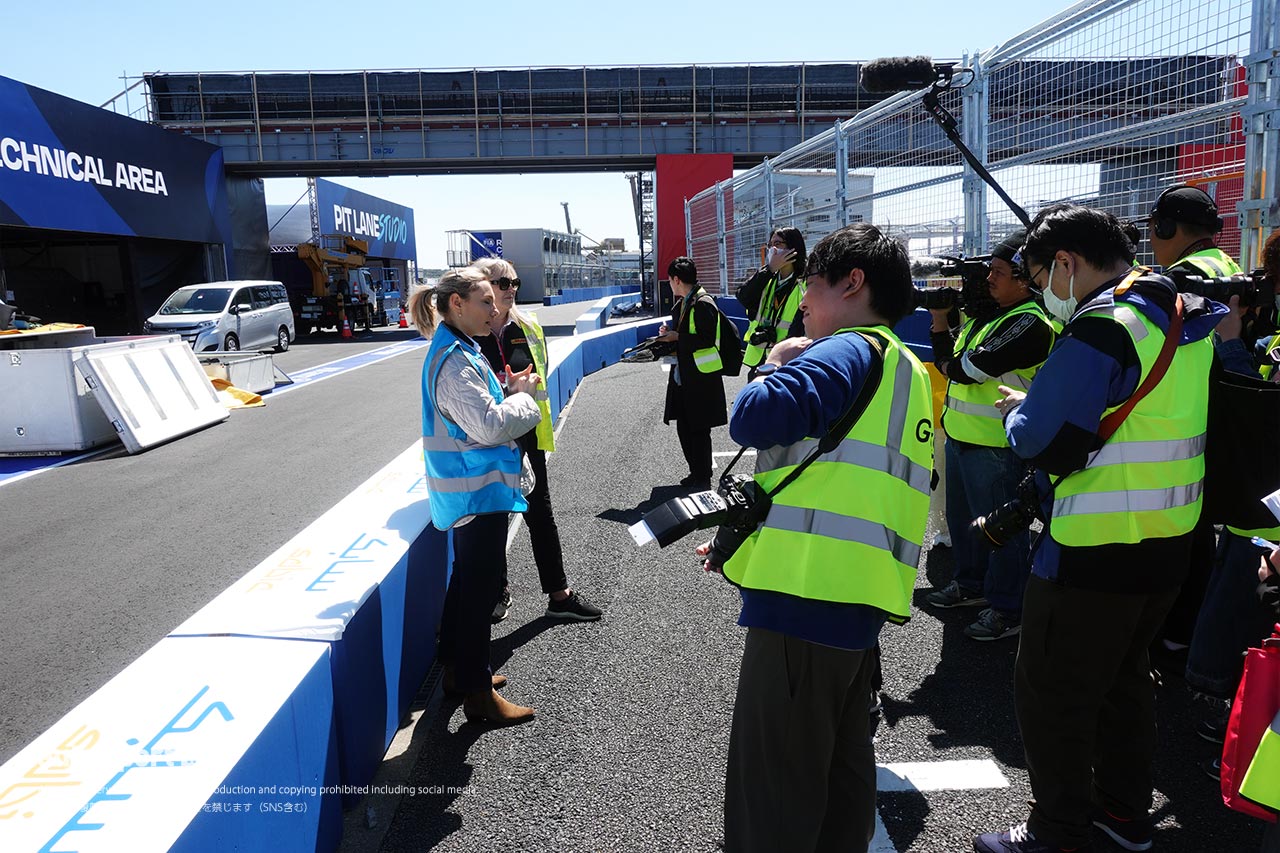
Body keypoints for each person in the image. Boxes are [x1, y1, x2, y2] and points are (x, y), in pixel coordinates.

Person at [973, 204, 1225, 853]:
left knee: (1052, 694)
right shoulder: (1179, 312)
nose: (1045, 295)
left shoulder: (1102, 327)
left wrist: (1018, 414)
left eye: (1041, 278)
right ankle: (1124, 816)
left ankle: (1056, 831)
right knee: (1123, 684)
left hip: (1092, 550)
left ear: (1066, 263)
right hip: (1169, 543)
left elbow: (1043, 440)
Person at [702, 223, 934, 853]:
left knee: (773, 785)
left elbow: (755, 416)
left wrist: (771, 364)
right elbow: (835, 481)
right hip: (857, 598)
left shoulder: (846, 349)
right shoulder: (907, 366)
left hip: (804, 596)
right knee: (841, 767)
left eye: (811, 282)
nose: (802, 297)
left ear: (852, 283)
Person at [406, 267, 541, 726]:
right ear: (457, 304)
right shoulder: (455, 359)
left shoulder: (457, 348)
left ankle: (459, 673)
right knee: (478, 590)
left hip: (471, 490)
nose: (496, 309)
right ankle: (479, 695)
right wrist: (523, 398)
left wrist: (503, 390)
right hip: (474, 491)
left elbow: (473, 414)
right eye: (486, 301)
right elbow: (488, 426)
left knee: (466, 583)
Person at [924, 230, 1057, 641]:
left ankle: (1008, 606)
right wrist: (941, 321)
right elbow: (948, 360)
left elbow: (964, 370)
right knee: (965, 523)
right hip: (964, 439)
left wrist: (949, 353)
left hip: (997, 447)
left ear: (1025, 278)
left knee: (1002, 531)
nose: (988, 280)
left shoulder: (1029, 323)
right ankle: (971, 585)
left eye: (998, 272)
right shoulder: (987, 319)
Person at [1185, 229, 1280, 767]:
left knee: (1235, 611)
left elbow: (1265, 410)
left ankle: (1217, 697)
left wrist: (1230, 338)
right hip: (1256, 506)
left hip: (1265, 515)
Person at [471, 257, 603, 624]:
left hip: (527, 437)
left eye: (515, 282)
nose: (511, 289)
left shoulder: (528, 324)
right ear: (482, 286)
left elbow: (537, 380)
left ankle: (559, 595)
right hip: (487, 441)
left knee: (540, 515)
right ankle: (497, 594)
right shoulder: (466, 332)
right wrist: (505, 390)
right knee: (494, 518)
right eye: (502, 283)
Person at [657, 256, 727, 491]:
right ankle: (696, 472)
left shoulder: (702, 302)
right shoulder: (686, 301)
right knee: (685, 427)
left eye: (669, 280)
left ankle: (702, 477)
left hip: (700, 377)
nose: (669, 284)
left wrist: (677, 337)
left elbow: (707, 339)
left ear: (676, 279)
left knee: (698, 429)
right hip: (686, 374)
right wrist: (670, 332)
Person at [736, 226, 807, 375]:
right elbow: (743, 297)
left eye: (778, 244)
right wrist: (769, 269)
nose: (772, 249)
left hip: (789, 360)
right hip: (760, 358)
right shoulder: (767, 277)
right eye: (770, 245)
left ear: (793, 248)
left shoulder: (806, 283)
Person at [1147, 183, 1243, 277]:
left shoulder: (1181, 275)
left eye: (1151, 230)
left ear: (1166, 229)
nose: (1150, 239)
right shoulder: (1229, 263)